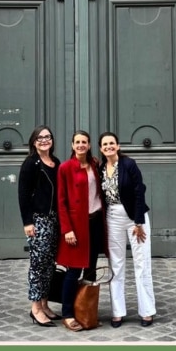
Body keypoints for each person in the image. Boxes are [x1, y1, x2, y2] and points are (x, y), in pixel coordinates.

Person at [98, 131, 156, 328]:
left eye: (111, 143)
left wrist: (139, 221)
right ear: (100, 148)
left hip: (134, 218)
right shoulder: (100, 168)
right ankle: (117, 312)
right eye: (105, 144)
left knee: (142, 264)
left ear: (118, 145)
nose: (108, 147)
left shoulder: (129, 164)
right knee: (116, 265)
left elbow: (140, 190)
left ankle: (147, 311)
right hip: (112, 218)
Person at [56, 130, 107, 332]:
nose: (80, 145)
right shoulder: (65, 168)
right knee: (73, 270)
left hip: (94, 223)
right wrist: (67, 229)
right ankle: (68, 313)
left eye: (84, 142)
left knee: (91, 269)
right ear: (72, 145)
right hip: (76, 226)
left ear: (89, 145)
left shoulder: (94, 165)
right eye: (77, 142)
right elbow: (61, 202)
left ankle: (86, 311)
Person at [18, 125, 61, 327]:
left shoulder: (55, 162)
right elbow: (23, 195)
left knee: (49, 263)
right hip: (38, 220)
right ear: (34, 142)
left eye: (48, 137)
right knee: (37, 265)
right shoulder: (30, 163)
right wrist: (28, 222)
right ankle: (35, 308)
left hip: (54, 219)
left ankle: (44, 303)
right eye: (40, 137)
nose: (44, 140)